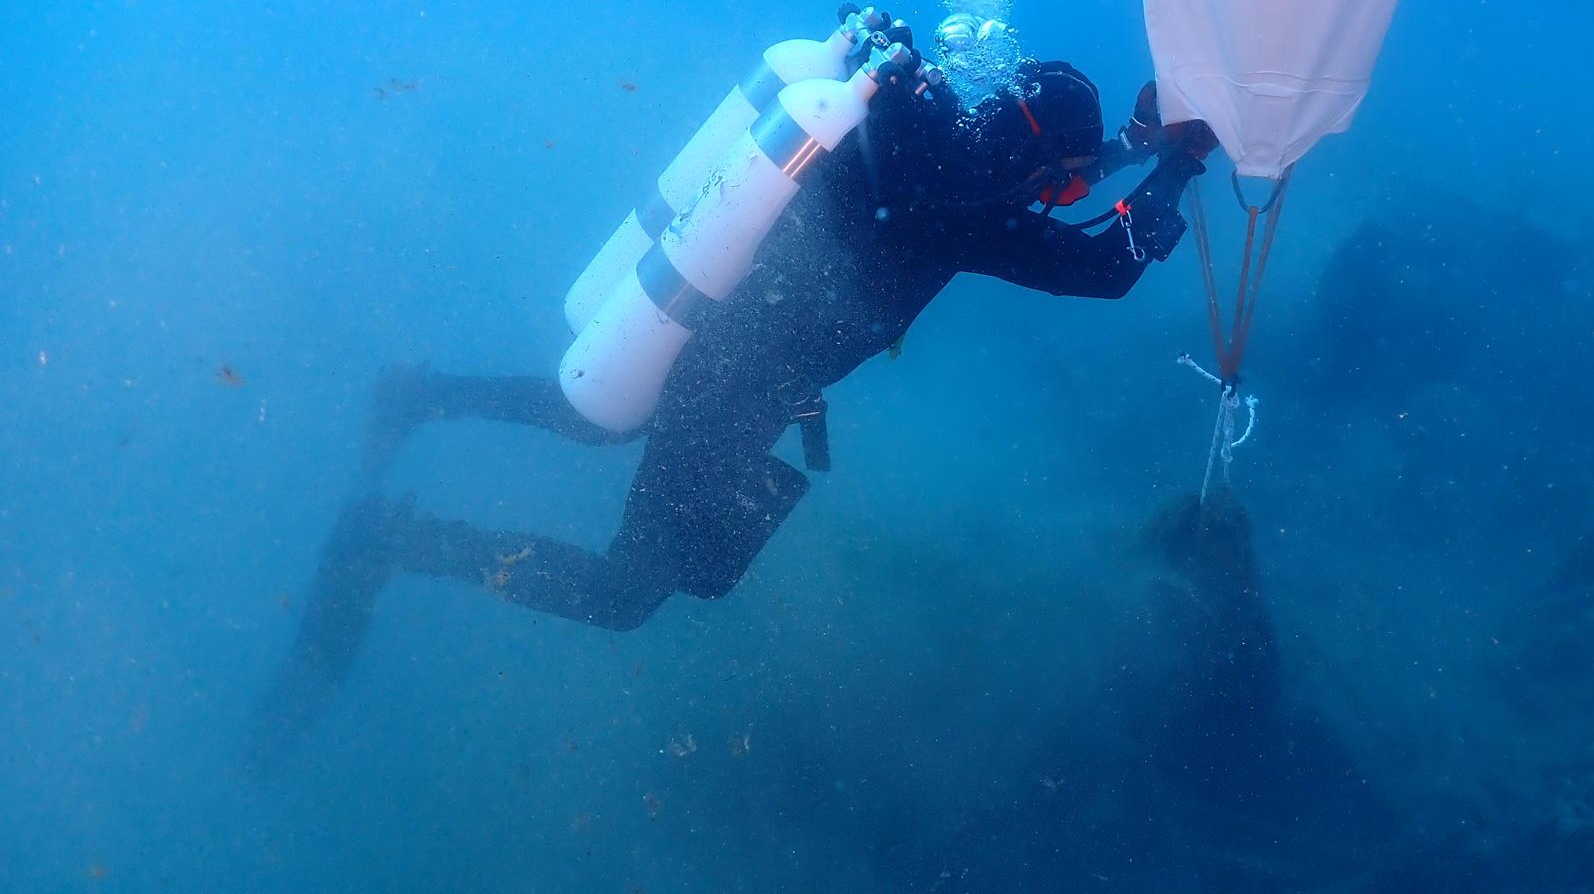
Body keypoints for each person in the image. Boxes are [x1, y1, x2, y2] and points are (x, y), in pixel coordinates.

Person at [249, 52, 1215, 754]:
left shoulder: (905, 123)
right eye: (1060, 183)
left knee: (599, 409)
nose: (1054, 200)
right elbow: (1105, 265)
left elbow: (1051, 179)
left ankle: (419, 396)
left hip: (706, 324)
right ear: (1034, 158)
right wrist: (1177, 166)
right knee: (625, 595)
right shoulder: (967, 208)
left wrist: (1138, 145)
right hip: (738, 387)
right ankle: (389, 540)